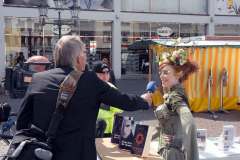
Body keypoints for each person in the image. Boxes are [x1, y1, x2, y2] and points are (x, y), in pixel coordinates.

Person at [16, 35, 152, 160]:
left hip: (42, 153)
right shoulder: (89, 80)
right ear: (78, 58)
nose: (86, 58)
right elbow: (123, 101)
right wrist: (144, 101)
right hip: (79, 154)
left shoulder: (39, 79)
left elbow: (22, 121)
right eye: (85, 54)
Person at [154, 49, 199, 160]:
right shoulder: (171, 93)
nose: (161, 76)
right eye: (160, 72)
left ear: (178, 74)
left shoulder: (175, 96)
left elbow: (190, 123)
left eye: (166, 72)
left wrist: (180, 140)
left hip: (172, 154)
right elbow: (162, 126)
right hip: (165, 151)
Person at [94, 62, 123, 137]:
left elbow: (120, 108)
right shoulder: (90, 88)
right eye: (102, 73)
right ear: (94, 74)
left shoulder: (112, 87)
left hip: (110, 129)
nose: (105, 75)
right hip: (95, 129)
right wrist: (110, 105)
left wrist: (107, 106)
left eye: (107, 73)